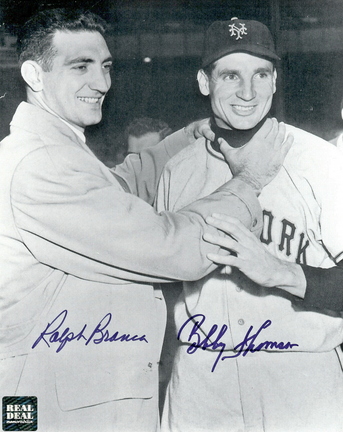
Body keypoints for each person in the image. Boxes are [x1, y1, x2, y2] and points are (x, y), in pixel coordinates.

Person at [0, 9, 291, 432]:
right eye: (79, 66)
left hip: (69, 398)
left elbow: (119, 188)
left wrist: (191, 135)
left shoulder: (52, 150)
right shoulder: (42, 163)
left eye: (105, 66)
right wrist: (249, 180)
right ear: (34, 74)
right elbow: (173, 248)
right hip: (62, 411)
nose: (101, 83)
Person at [156, 18, 343, 432]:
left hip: (298, 378)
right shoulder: (177, 170)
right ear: (205, 82)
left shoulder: (322, 162)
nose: (247, 92)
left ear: (275, 81)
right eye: (230, 75)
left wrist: (283, 273)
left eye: (260, 74)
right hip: (202, 382)